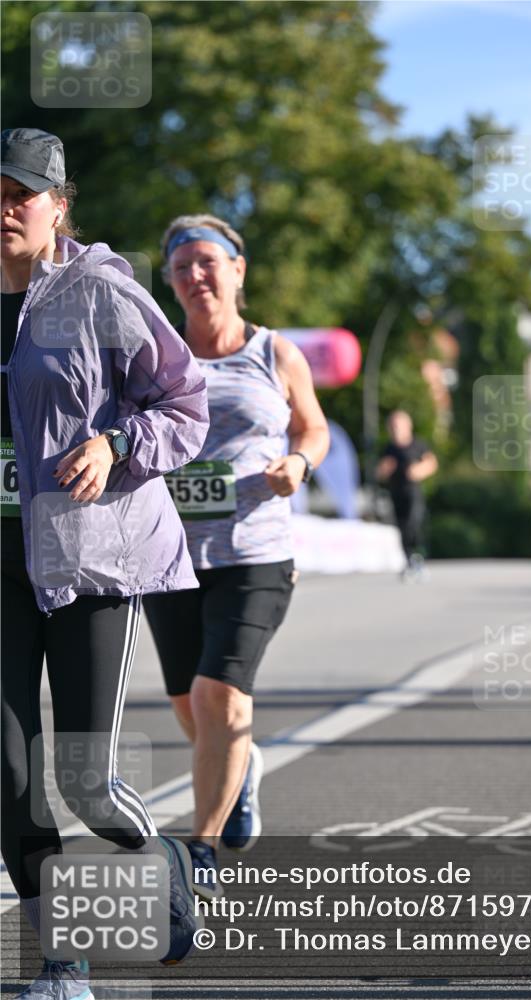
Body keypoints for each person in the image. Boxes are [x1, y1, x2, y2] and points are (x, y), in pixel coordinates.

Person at [1, 129, 210, 998]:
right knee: (10, 783)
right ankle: (66, 959)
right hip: (2, 567)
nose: (6, 208)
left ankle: (163, 862)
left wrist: (118, 440)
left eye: (22, 193)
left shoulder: (100, 293)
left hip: (93, 555)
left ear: (58, 205)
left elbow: (185, 404)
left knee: (87, 783)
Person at [142, 214, 329, 897]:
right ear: (168, 281)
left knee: (216, 695)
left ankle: (201, 852)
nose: (195, 275)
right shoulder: (157, 356)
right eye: (181, 266)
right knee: (189, 707)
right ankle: (241, 765)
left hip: (255, 552)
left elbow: (312, 423)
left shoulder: (273, 351)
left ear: (237, 269)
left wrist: (300, 462)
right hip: (167, 556)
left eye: (207, 261)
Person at [375, 410, 438, 580]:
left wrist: (419, 470)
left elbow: (432, 463)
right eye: (392, 426)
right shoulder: (389, 448)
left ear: (407, 426)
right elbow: (379, 473)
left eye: (398, 425)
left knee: (413, 524)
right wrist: (384, 470)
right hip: (396, 493)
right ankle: (409, 561)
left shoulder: (418, 444)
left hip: (413, 493)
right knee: (401, 528)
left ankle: (419, 559)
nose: (395, 429)